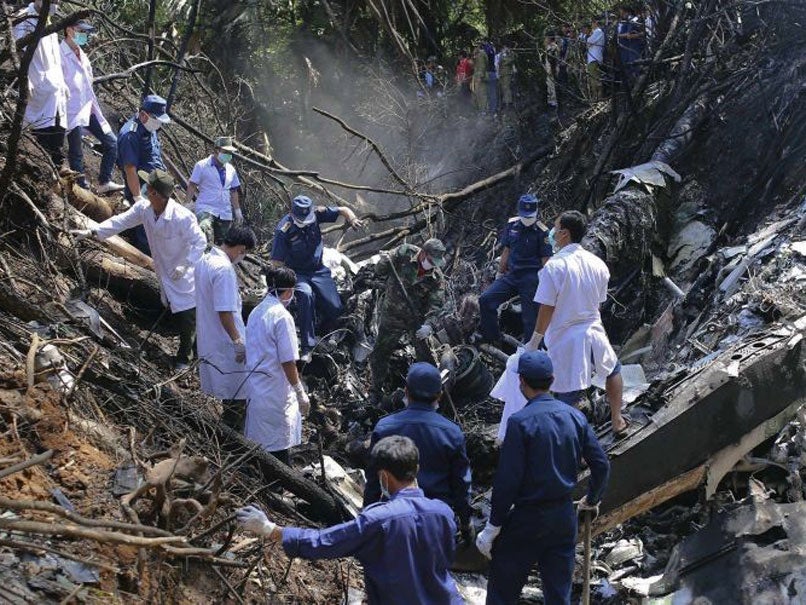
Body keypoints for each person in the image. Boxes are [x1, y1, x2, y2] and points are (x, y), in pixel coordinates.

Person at [237, 435, 463, 604]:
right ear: (417, 469)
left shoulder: (378, 520)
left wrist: (270, 529)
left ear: (384, 476)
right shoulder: (444, 513)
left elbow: (326, 542)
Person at [476, 351, 610, 605]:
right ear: (552, 379)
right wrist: (592, 499)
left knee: (502, 592)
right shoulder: (575, 416)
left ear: (521, 382)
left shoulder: (519, 422)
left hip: (527, 519)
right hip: (562, 518)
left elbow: (508, 481)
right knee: (558, 595)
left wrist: (493, 527)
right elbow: (601, 464)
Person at [70, 169, 206, 370]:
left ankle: (185, 360)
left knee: (187, 315)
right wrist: (92, 231)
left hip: (184, 273)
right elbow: (120, 222)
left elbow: (200, 242)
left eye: (147, 187)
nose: (144, 189)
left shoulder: (182, 217)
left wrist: (185, 265)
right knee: (170, 307)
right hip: (163, 270)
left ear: (154, 193)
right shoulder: (144, 208)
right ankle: (189, 352)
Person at [524, 210, 627, 434]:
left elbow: (547, 308)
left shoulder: (554, 267)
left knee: (566, 396)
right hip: (593, 328)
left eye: (555, 228)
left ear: (564, 234)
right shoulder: (598, 264)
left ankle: (577, 447)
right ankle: (617, 419)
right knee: (613, 370)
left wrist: (534, 340)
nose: (552, 233)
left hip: (566, 337)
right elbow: (598, 303)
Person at [363, 362, 473, 540]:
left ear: (406, 392)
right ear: (439, 395)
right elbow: (461, 483)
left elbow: (374, 480)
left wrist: (367, 518)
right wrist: (466, 522)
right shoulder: (452, 432)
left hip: (394, 521)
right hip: (436, 523)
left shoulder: (384, 428)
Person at [270, 196, 362, 362]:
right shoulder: (284, 229)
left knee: (335, 307)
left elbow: (342, 210)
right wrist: (284, 283)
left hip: (318, 270)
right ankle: (307, 347)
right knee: (306, 295)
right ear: (292, 213)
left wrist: (353, 219)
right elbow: (276, 262)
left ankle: (331, 334)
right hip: (297, 272)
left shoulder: (317, 214)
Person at [244, 264, 310, 466]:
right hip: (275, 390)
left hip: (256, 387)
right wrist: (299, 391)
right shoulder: (282, 317)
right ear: (289, 290)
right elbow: (288, 360)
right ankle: (277, 491)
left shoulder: (257, 311)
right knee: (278, 450)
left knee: (260, 446)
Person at [194, 225, 257, 431]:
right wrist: (237, 340)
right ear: (240, 248)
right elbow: (225, 311)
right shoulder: (224, 269)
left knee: (229, 392)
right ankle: (233, 440)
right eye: (245, 253)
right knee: (237, 394)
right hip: (225, 342)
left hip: (211, 337)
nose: (243, 257)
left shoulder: (204, 261)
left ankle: (227, 434)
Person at [369, 239, 447, 399]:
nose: (432, 266)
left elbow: (436, 304)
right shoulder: (404, 252)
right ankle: (375, 391)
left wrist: (429, 325)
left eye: (436, 263)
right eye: (431, 261)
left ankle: (427, 395)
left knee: (426, 359)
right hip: (392, 315)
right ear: (423, 253)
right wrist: (384, 262)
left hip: (416, 322)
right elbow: (379, 270)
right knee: (380, 354)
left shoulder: (436, 278)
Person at [479, 194, 552, 346]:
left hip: (532, 279)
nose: (527, 219)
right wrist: (500, 273)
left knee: (530, 320)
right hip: (512, 276)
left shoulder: (542, 232)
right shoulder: (512, 225)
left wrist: (547, 284)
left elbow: (546, 262)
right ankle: (492, 338)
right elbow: (506, 250)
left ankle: (533, 354)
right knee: (486, 299)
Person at [60, 20, 123, 193]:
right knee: (76, 152)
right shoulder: (59, 54)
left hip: (88, 107)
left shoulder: (83, 55)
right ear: (69, 30)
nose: (84, 35)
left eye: (86, 32)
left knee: (111, 143)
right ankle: (80, 186)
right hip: (70, 110)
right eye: (81, 31)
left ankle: (104, 181)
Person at [13, 0, 68, 167]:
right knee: (42, 144)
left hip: (56, 94)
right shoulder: (23, 19)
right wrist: (25, 80)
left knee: (57, 142)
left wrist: (62, 83)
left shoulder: (50, 21)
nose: (55, 5)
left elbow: (54, 58)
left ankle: (60, 180)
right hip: (39, 92)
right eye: (52, 1)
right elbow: (18, 53)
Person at [117, 94, 171, 253]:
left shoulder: (149, 127)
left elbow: (154, 153)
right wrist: (137, 197)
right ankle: (145, 257)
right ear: (143, 114)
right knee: (146, 226)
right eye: (157, 119)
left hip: (155, 185)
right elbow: (130, 169)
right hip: (142, 187)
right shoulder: (130, 135)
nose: (159, 123)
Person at [187, 136, 243, 245]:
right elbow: (192, 185)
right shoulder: (202, 165)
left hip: (224, 211)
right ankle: (201, 258)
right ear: (217, 150)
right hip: (206, 207)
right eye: (226, 152)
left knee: (223, 244)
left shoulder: (231, 170)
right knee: (204, 229)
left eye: (230, 153)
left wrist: (237, 210)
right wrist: (188, 203)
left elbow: (234, 191)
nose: (228, 155)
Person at [580, 17, 605, 101]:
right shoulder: (594, 32)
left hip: (595, 57)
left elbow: (589, 41)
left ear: (595, 23)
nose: (591, 25)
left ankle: (598, 96)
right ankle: (596, 96)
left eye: (592, 23)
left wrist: (588, 40)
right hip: (592, 58)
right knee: (593, 78)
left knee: (595, 78)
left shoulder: (598, 31)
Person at [617, 6, 643, 82]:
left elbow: (642, 32)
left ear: (628, 12)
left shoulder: (634, 20)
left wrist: (634, 35)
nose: (622, 15)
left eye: (623, 13)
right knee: (629, 66)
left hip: (634, 46)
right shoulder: (627, 22)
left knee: (635, 65)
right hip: (629, 47)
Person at [497, 43, 516, 108]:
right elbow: (499, 62)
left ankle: (508, 101)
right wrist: (503, 55)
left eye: (505, 47)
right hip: (502, 73)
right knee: (503, 87)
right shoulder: (502, 54)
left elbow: (510, 61)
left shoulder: (511, 53)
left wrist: (504, 60)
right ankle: (504, 101)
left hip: (508, 73)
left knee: (506, 87)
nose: (504, 49)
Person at [471, 42, 489, 112]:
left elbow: (482, 66)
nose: (474, 48)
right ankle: (480, 110)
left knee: (482, 94)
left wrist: (480, 77)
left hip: (480, 77)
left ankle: (483, 111)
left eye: (476, 46)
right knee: (477, 94)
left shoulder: (481, 54)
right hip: (477, 76)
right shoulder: (477, 54)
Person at [544, 36, 559, 108]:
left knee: (553, 85)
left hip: (552, 69)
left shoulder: (553, 47)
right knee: (549, 85)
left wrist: (551, 69)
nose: (545, 40)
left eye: (546, 38)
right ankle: (550, 101)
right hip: (548, 69)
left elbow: (552, 60)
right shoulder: (548, 47)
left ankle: (554, 102)